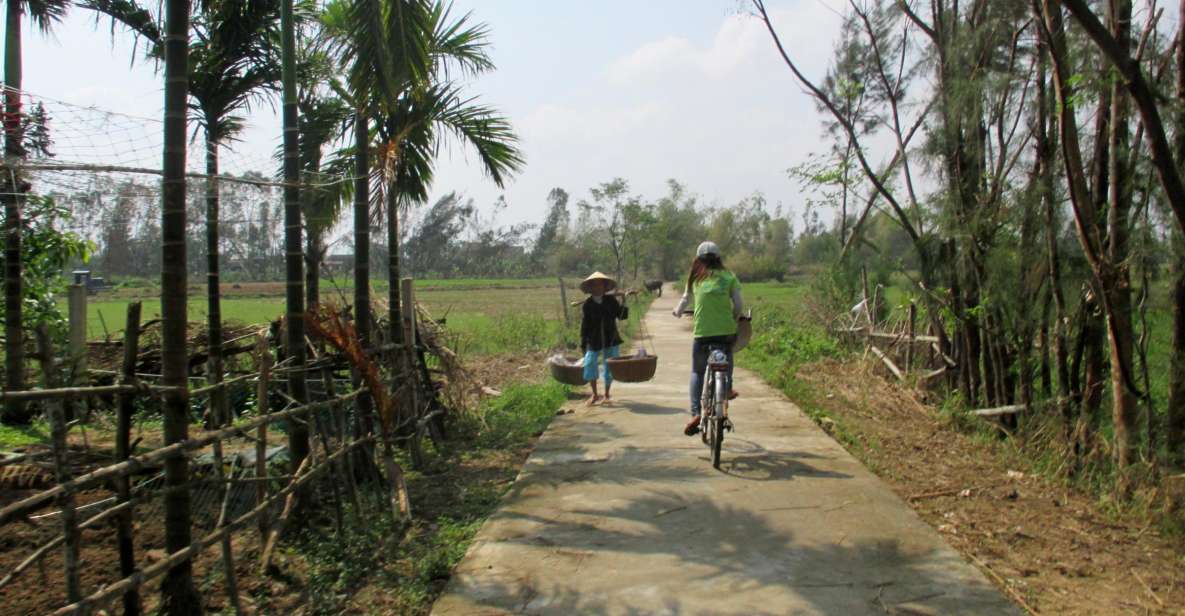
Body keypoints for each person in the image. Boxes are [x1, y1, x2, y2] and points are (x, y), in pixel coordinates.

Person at [673, 241, 745, 436]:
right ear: (718, 259)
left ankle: (696, 412)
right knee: (728, 354)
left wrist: (677, 312)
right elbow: (739, 304)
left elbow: (686, 299)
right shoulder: (730, 277)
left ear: (698, 259)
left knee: (697, 371)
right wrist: (735, 317)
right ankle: (727, 387)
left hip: (703, 334)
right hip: (725, 332)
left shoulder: (696, 277)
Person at [580, 271, 629, 406]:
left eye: (600, 285)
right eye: (594, 285)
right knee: (590, 363)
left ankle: (607, 394)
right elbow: (585, 325)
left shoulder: (611, 301)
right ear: (590, 288)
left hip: (610, 338)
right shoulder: (588, 304)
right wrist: (583, 343)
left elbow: (621, 316)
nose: (597, 288)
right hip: (593, 339)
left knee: (610, 366)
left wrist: (624, 301)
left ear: (604, 287)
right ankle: (595, 394)